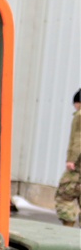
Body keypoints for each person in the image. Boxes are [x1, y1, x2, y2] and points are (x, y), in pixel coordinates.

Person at [54, 88, 81, 227]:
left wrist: (71, 159)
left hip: (78, 168)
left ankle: (68, 229)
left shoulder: (79, 115)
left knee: (64, 196)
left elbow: (78, 139)